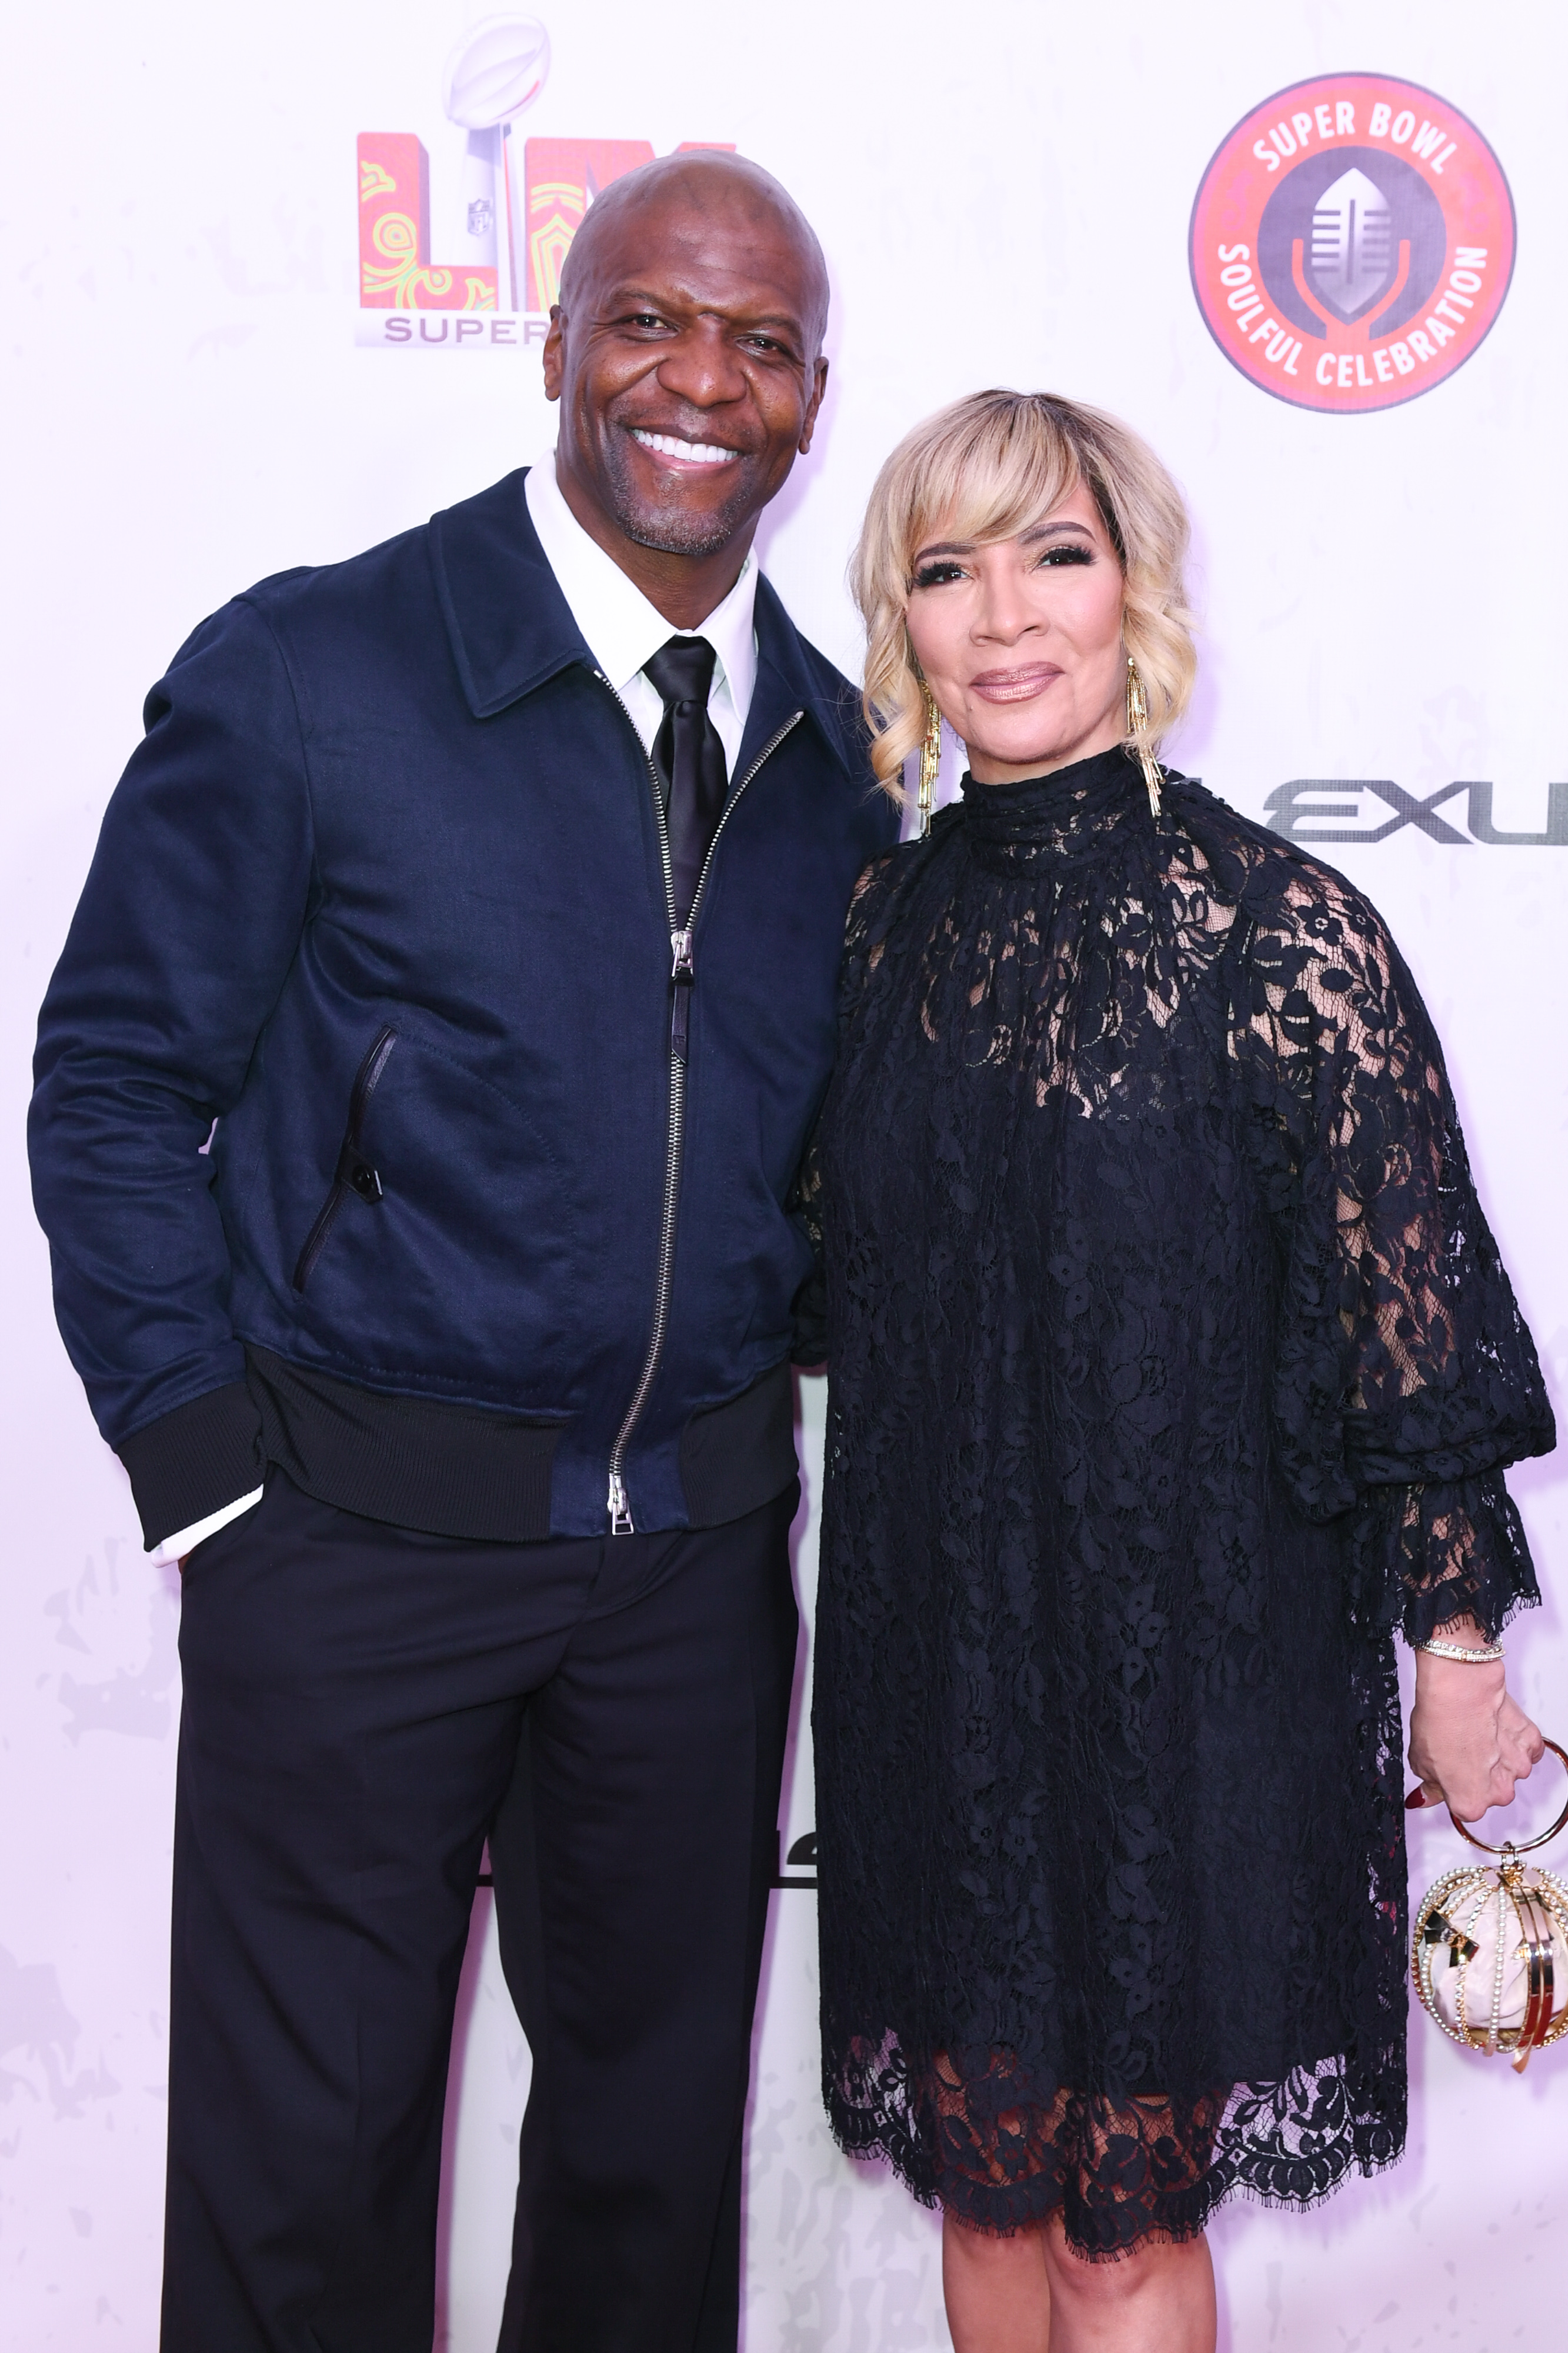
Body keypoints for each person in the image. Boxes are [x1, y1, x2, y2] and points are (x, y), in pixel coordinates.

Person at [28, 152, 895, 2353]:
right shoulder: (316, 668)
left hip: (693, 1562)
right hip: (353, 1539)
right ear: (555, 345)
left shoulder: (831, 756)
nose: (699, 383)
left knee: (641, 2171)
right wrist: (201, 1458)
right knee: (300, 2175)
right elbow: (114, 1077)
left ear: (811, 401)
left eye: (761, 345)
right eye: (648, 321)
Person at [805, 389, 1552, 2353]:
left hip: (1189, 1678)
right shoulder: (877, 923)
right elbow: (823, 1274)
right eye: (947, 570)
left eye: (1052, 554)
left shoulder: (1280, 930)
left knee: (1111, 2231)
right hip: (935, 1665)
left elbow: (1408, 1337)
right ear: (901, 618)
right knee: (983, 2178)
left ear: (1129, 589)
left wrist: (1454, 1655)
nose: (1002, 616)